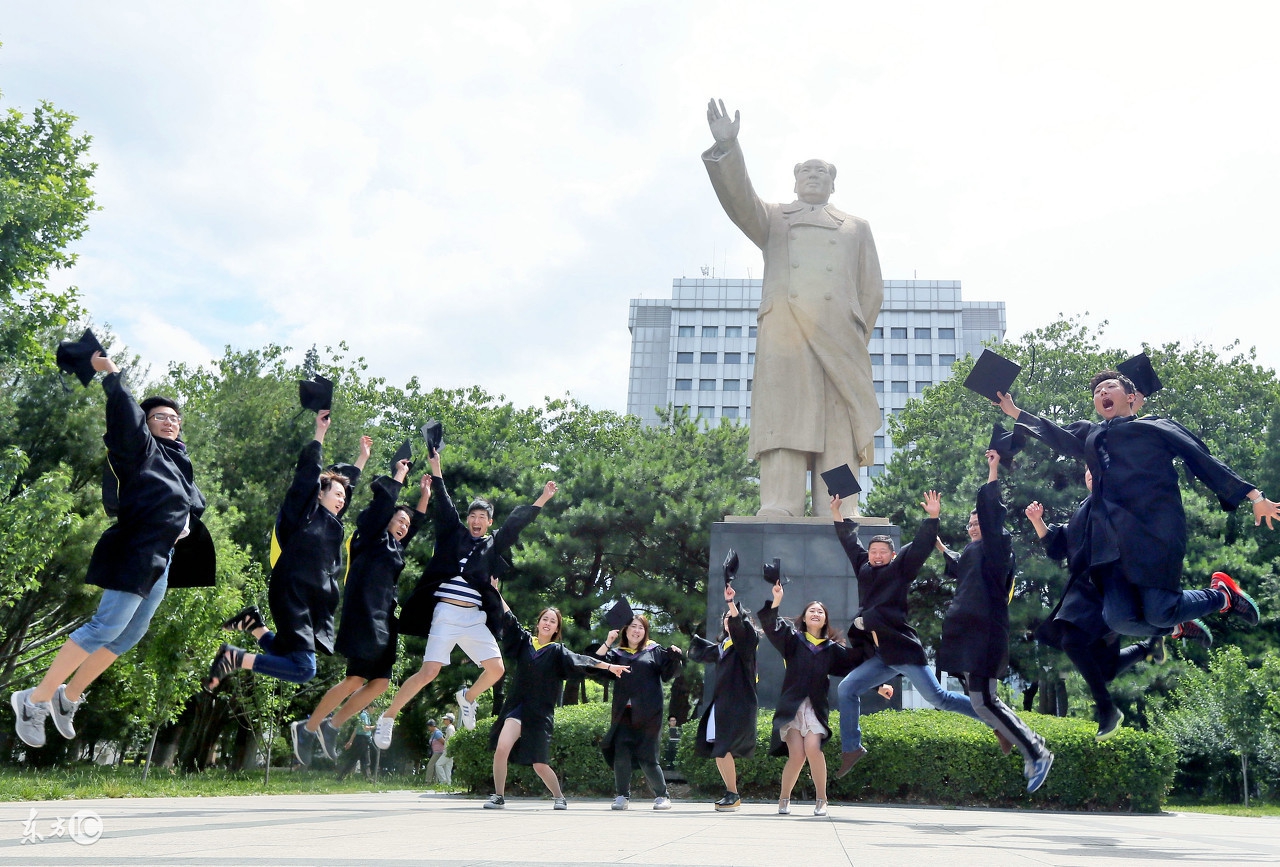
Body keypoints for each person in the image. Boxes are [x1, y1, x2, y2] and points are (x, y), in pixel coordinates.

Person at [12, 351, 214, 748]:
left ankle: (66, 698)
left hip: (162, 558)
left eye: (175, 418)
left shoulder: (178, 462)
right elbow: (125, 416)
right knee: (104, 627)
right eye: (160, 417)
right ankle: (33, 700)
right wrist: (112, 374)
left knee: (126, 637)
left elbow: (190, 506)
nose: (170, 421)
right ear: (146, 423)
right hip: (136, 549)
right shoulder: (140, 450)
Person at [702, 98, 883, 518]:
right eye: (806, 171)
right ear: (796, 180)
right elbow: (739, 199)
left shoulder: (856, 227)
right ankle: (779, 502)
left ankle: (838, 505)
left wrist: (853, 332)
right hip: (785, 332)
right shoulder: (774, 218)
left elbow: (871, 290)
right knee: (784, 421)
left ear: (833, 185)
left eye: (822, 172)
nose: (814, 177)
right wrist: (729, 148)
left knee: (839, 426)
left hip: (840, 335)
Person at [996, 372, 1278, 638]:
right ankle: (1179, 623)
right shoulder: (1092, 436)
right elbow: (1056, 434)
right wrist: (1016, 413)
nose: (1102, 392)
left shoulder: (1155, 427)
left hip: (1154, 531)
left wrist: (1254, 496)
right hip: (1112, 544)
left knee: (1161, 609)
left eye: (1110, 387)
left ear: (1131, 397)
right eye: (1097, 391)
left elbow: (1200, 457)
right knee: (1120, 619)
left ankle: (1222, 595)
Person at [373, 444, 557, 748]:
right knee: (428, 672)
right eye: (472, 515)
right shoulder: (453, 534)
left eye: (482, 516)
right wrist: (436, 466)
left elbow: (516, 524)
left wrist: (543, 498)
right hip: (445, 613)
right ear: (467, 518)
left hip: (473, 617)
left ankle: (467, 697)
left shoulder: (492, 544)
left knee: (497, 670)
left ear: (488, 523)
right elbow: (444, 503)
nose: (476, 520)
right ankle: (389, 717)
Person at [206, 411, 369, 690]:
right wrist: (320, 433)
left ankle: (254, 624)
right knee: (304, 668)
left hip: (312, 601)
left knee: (289, 656)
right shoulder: (303, 514)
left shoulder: (334, 524)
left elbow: (348, 487)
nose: (342, 499)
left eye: (343, 497)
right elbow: (307, 475)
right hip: (292, 592)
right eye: (336, 494)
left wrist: (362, 459)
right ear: (320, 493)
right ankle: (234, 658)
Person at [288, 457, 431, 765]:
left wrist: (425, 496)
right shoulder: (369, 536)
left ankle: (331, 726)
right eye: (399, 521)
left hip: (385, 620)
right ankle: (308, 726)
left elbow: (416, 523)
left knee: (379, 683)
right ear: (386, 519)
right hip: (364, 615)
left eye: (406, 524)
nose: (404, 526)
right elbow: (382, 507)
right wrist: (400, 474)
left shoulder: (396, 547)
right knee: (355, 679)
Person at [831, 491, 984, 778]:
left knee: (939, 698)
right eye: (873, 551)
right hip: (880, 655)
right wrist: (837, 513)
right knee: (847, 688)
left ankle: (991, 715)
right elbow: (849, 542)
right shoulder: (863, 567)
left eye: (882, 553)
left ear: (892, 555)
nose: (877, 556)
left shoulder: (900, 569)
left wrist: (933, 517)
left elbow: (921, 546)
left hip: (901, 650)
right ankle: (852, 748)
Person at [937, 450, 1054, 792]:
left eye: (979, 522)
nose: (974, 526)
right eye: (970, 524)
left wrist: (992, 469)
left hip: (986, 632)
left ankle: (1035, 749)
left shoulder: (998, 546)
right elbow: (960, 565)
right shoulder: (974, 553)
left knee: (985, 700)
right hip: (967, 634)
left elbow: (990, 512)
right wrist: (941, 546)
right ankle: (1017, 736)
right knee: (978, 700)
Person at [1026, 469, 1167, 741]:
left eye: (1097, 470)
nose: (1090, 475)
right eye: (1087, 471)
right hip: (1090, 595)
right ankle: (1147, 646)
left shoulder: (1117, 503)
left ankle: (1106, 708)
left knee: (1072, 641)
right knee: (1104, 670)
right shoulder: (1083, 511)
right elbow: (1059, 545)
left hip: (1106, 590)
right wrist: (1038, 521)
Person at [485, 588, 628, 810]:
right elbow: (509, 618)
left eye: (553, 621)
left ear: (556, 629)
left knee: (539, 764)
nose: (548, 623)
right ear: (538, 623)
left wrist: (609, 665)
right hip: (517, 708)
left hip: (540, 713)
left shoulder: (557, 651)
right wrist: (496, 592)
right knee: (502, 748)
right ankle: (498, 796)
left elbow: (582, 660)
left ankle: (559, 797)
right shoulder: (525, 641)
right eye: (545, 619)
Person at [758, 582, 855, 817]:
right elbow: (771, 625)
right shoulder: (793, 641)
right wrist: (777, 599)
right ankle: (784, 798)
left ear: (825, 620)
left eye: (820, 611)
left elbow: (857, 669)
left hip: (815, 707)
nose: (815, 613)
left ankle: (822, 799)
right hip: (792, 707)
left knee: (813, 748)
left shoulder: (832, 649)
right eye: (811, 610)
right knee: (797, 755)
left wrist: (881, 684)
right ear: (804, 618)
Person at [596, 614, 684, 811]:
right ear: (625, 630)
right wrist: (608, 641)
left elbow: (669, 673)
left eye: (641, 628)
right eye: (633, 626)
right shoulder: (617, 653)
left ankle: (662, 795)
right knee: (621, 755)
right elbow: (596, 665)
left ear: (645, 632)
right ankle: (622, 796)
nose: (637, 631)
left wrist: (675, 657)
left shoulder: (654, 650)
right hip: (623, 714)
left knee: (648, 757)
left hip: (649, 715)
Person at [688, 584, 759, 812]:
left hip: (739, 704)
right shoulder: (722, 647)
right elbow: (701, 651)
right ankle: (731, 793)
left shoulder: (746, 644)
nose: (729, 620)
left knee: (724, 746)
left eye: (734, 617)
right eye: (726, 618)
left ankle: (733, 793)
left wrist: (731, 603)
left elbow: (743, 631)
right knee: (719, 748)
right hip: (722, 704)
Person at [335, 710, 374, 781]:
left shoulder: (365, 716)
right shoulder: (364, 715)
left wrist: (350, 741)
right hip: (361, 740)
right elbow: (365, 728)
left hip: (364, 740)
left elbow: (356, 729)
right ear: (370, 707)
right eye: (374, 708)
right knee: (354, 760)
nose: (374, 710)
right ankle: (341, 777)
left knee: (365, 760)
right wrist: (376, 726)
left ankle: (368, 778)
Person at [437, 712, 457, 784]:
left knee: (438, 765)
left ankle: (443, 781)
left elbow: (450, 740)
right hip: (450, 750)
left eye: (445, 719)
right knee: (447, 767)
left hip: (448, 750)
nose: (444, 720)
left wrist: (448, 750)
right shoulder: (450, 728)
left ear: (449, 720)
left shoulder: (450, 728)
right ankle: (448, 784)